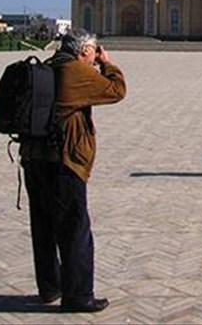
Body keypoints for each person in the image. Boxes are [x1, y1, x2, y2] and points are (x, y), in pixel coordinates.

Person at [19, 28, 126, 313]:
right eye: (93, 51)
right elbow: (117, 90)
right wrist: (107, 63)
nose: (94, 56)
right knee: (74, 229)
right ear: (85, 51)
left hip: (33, 159)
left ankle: (50, 287)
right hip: (63, 163)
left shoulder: (47, 66)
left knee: (43, 226)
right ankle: (78, 296)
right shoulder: (75, 70)